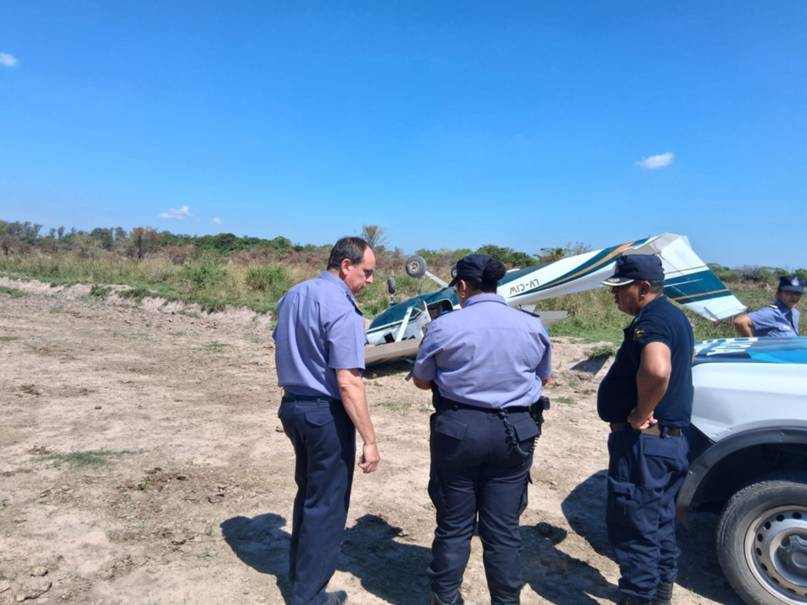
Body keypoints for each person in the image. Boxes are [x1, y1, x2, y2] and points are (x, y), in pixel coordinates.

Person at [411, 254, 552, 605]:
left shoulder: (444, 326)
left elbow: (421, 379)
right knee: (503, 531)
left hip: (458, 430)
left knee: (454, 526)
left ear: (461, 286)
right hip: (515, 433)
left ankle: (445, 599)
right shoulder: (532, 325)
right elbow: (544, 377)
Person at [273, 236, 381, 605]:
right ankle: (309, 596)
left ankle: (300, 578)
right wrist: (370, 439)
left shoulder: (293, 295)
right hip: (324, 414)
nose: (369, 281)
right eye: (366, 273)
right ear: (346, 266)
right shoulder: (341, 307)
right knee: (328, 505)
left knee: (310, 495)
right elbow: (348, 381)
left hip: (293, 407)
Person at [596, 254, 694, 605]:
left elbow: (657, 369)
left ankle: (640, 597)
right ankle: (660, 596)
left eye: (620, 288)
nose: (615, 295)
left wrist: (641, 412)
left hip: (645, 445)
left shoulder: (652, 320)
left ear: (644, 287)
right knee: (660, 525)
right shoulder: (673, 317)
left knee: (635, 529)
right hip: (668, 443)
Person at [733, 275, 803, 337]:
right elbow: (741, 321)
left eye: (797, 293)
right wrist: (752, 344)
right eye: (788, 293)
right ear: (778, 294)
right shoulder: (771, 313)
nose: (794, 297)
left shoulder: (795, 313)